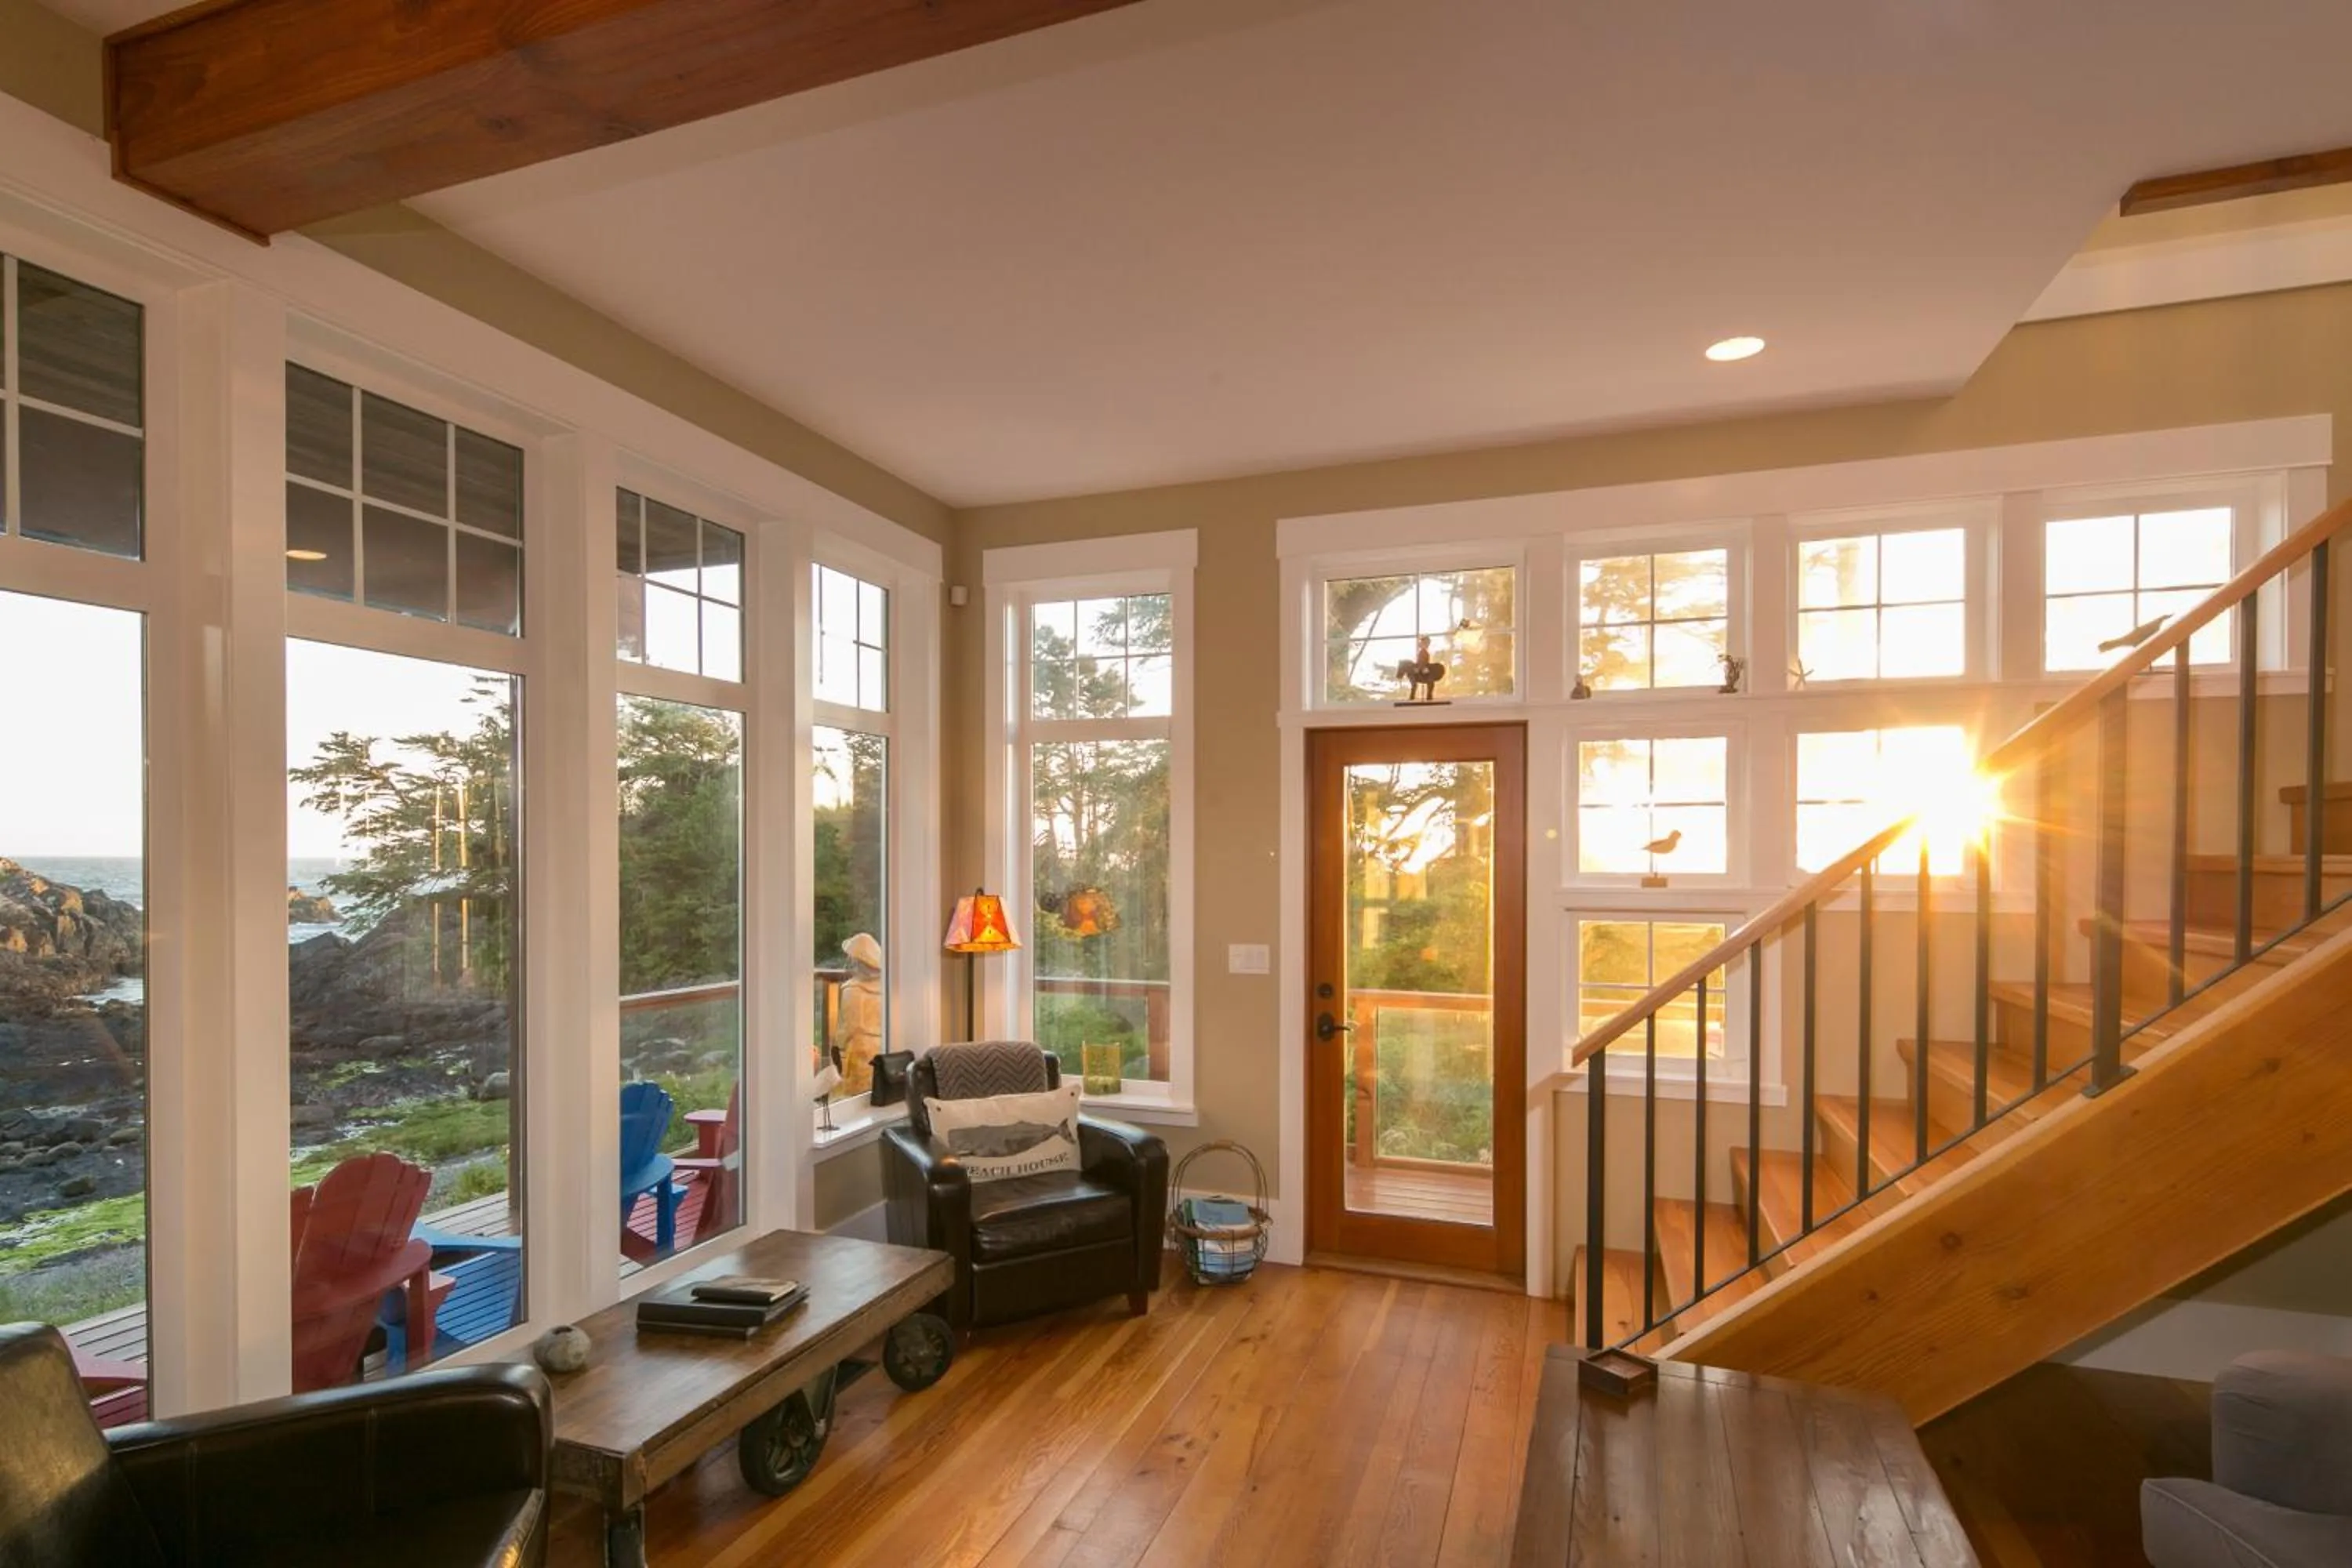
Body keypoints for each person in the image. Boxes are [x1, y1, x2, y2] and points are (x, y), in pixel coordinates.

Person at [833, 931, 886, 1095]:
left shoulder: (852, 990)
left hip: (858, 1053)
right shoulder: (885, 989)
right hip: (880, 1052)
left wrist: (837, 1046)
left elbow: (849, 1028)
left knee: (853, 1097)